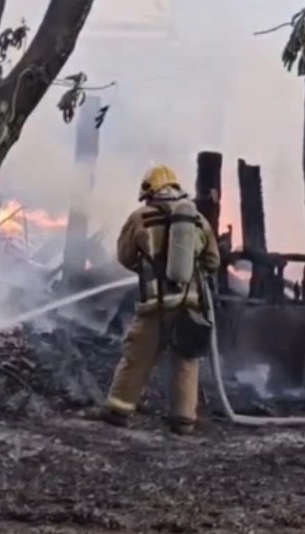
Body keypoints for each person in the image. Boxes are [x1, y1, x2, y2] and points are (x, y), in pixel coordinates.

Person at [100, 165, 221, 435]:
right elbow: (213, 261)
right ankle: (183, 421)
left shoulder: (140, 218)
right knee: (186, 361)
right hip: (190, 305)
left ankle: (118, 411)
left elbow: (125, 256)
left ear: (149, 192)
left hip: (155, 306)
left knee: (136, 357)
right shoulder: (198, 220)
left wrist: (148, 267)